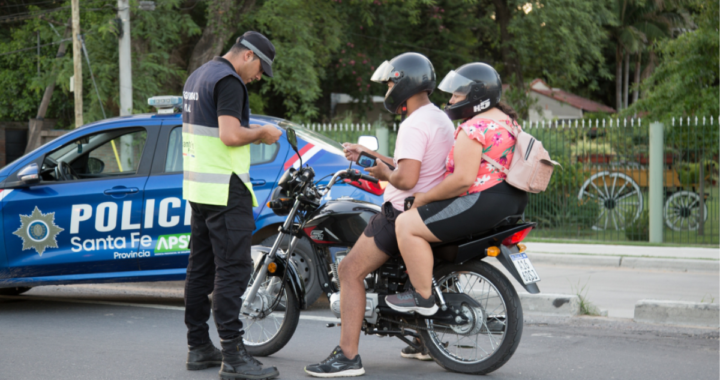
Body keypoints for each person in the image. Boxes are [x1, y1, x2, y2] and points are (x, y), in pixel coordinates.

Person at [304, 52, 455, 377]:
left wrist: (381, 173)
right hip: (429, 210)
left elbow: (406, 177)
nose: (387, 87)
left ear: (404, 82)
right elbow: (412, 161)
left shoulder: (414, 123)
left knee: (349, 271)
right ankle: (422, 339)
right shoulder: (438, 117)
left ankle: (347, 356)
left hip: (400, 211)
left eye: (390, 81)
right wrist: (371, 155)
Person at [385, 62, 529, 315]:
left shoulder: (473, 128)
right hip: (512, 199)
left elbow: (462, 179)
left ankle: (422, 297)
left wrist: (423, 198)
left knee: (407, 224)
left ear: (476, 97)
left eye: (456, 95)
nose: (450, 100)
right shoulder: (508, 122)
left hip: (483, 200)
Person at [182, 31, 282, 380]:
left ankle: (198, 346)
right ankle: (234, 356)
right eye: (259, 70)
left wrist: (247, 128)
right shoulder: (229, 81)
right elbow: (229, 135)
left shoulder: (199, 74)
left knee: (201, 268)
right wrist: (262, 133)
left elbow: (215, 129)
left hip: (199, 188)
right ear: (247, 56)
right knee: (234, 270)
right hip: (225, 188)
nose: (257, 78)